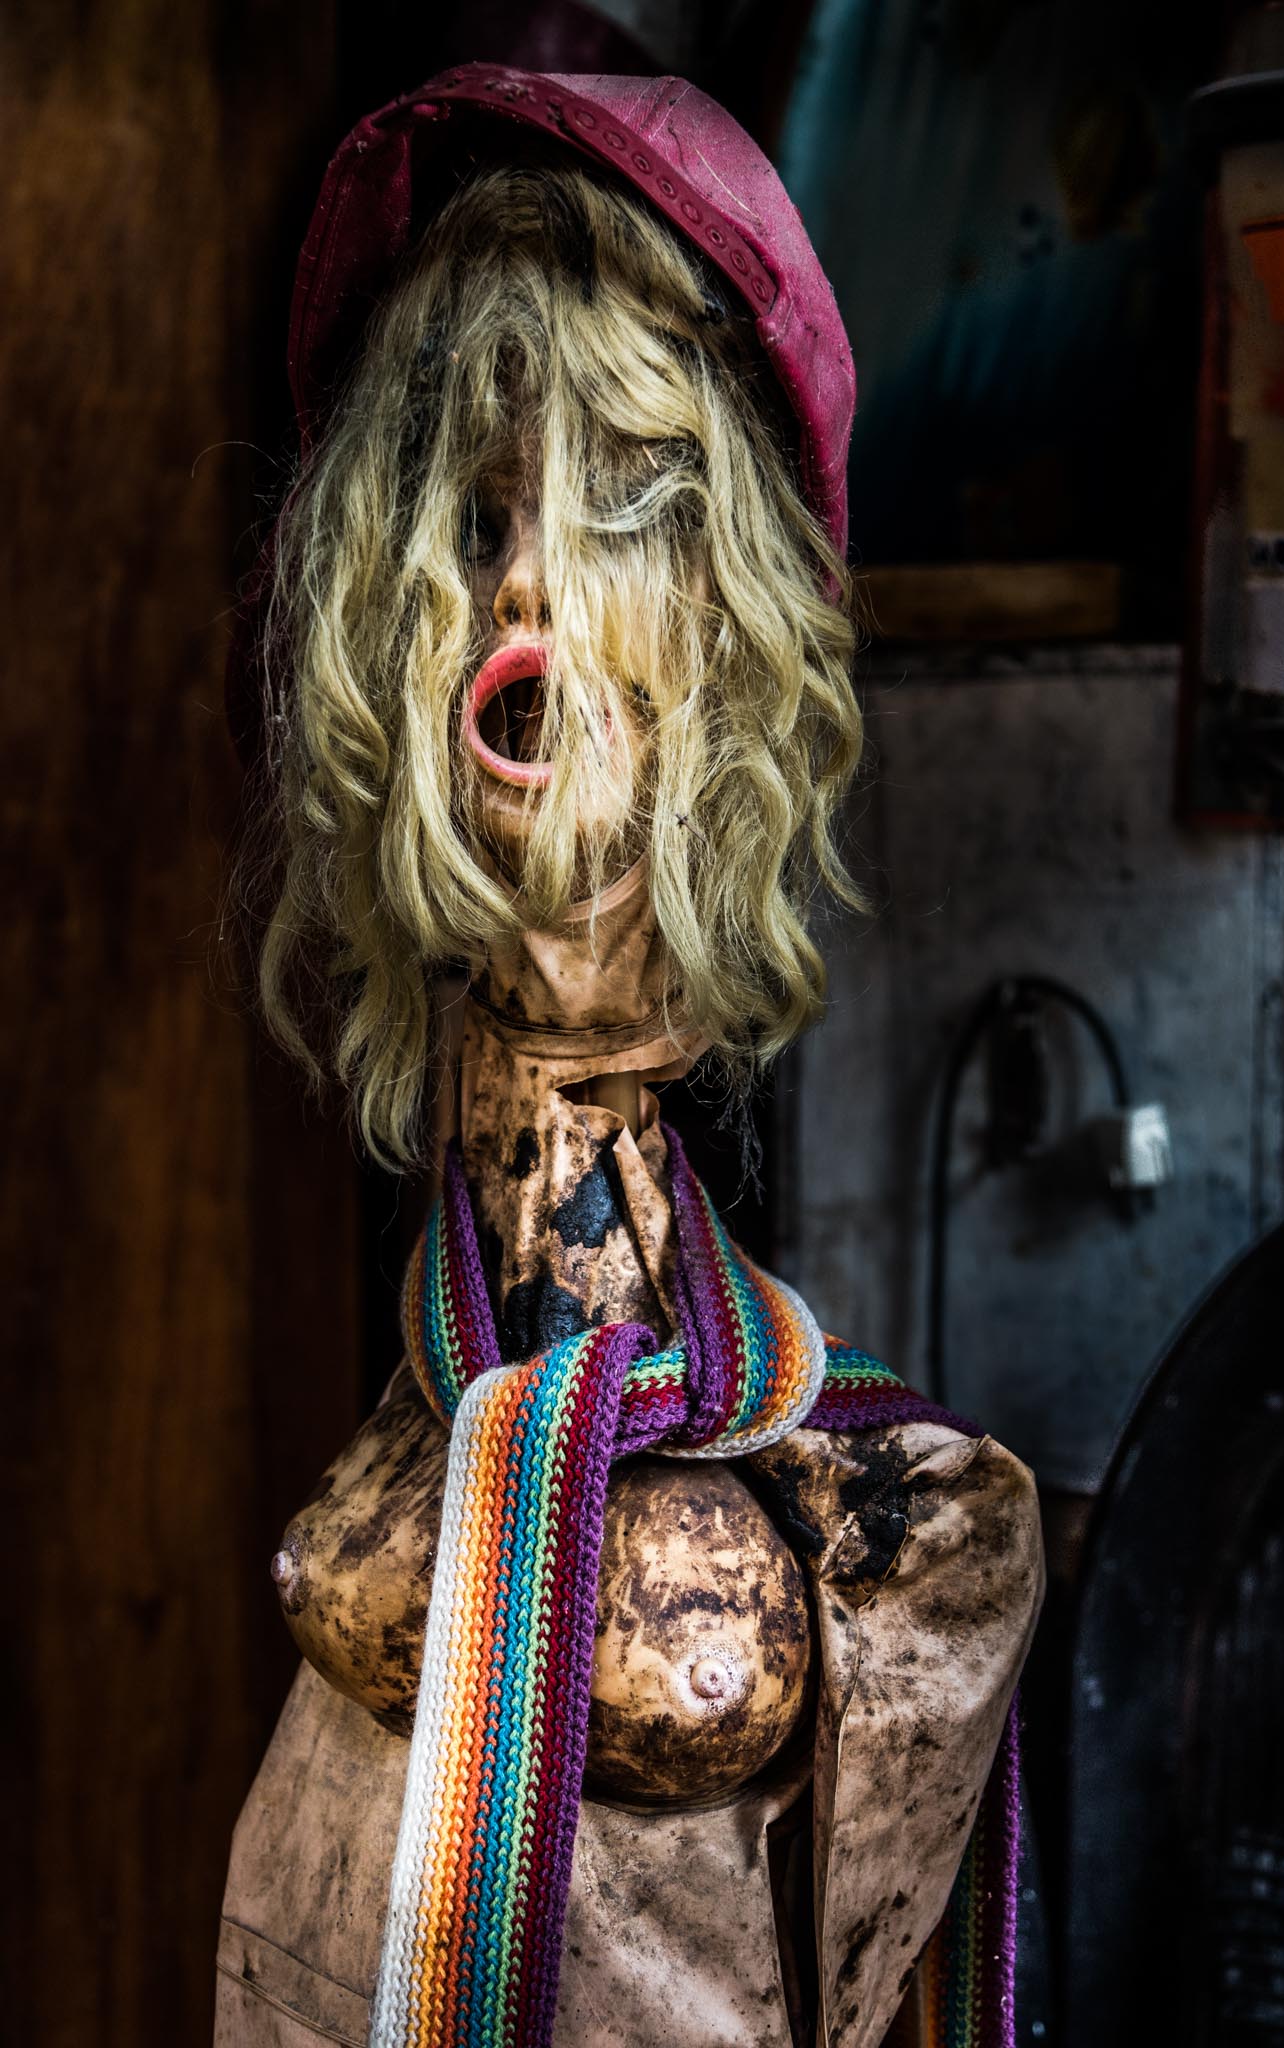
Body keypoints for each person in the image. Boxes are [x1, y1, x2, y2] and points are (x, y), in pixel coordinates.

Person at [219, 64, 1043, 2048]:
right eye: (476, 521)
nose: (524, 585)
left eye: (614, 513)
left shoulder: (841, 1545)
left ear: (738, 630)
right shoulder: (423, 1488)